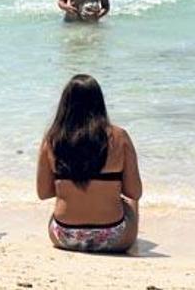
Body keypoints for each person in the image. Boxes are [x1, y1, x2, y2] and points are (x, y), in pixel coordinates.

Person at [37, 74, 142, 253]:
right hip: (113, 237)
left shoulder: (52, 140)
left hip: (64, 235)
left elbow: (44, 193)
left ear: (65, 105)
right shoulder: (120, 137)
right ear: (99, 102)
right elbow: (135, 192)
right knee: (131, 202)